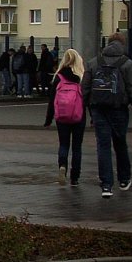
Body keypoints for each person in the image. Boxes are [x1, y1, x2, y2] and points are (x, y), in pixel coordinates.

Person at [81, 32, 132, 198]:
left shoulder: (94, 62)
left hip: (99, 109)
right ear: (122, 45)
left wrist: (89, 109)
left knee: (103, 146)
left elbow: (85, 88)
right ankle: (124, 179)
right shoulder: (127, 63)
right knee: (120, 143)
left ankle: (106, 185)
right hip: (119, 109)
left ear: (107, 44)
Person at [43, 48, 86, 187]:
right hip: (79, 116)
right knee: (77, 147)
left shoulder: (59, 76)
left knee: (64, 144)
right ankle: (75, 177)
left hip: (62, 116)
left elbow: (52, 99)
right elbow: (87, 98)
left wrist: (48, 119)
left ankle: (62, 166)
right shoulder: (81, 77)